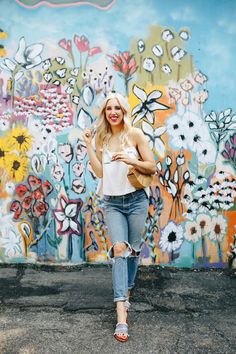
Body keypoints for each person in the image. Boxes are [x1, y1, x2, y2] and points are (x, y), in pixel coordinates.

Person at [83, 92, 156, 342]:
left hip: (136, 200)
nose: (113, 112)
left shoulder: (134, 134)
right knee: (118, 249)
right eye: (108, 109)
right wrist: (89, 147)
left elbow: (152, 166)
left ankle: (128, 290)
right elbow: (101, 172)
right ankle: (121, 314)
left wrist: (131, 159)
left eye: (117, 108)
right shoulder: (102, 138)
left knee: (133, 250)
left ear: (124, 111)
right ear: (104, 113)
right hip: (112, 202)